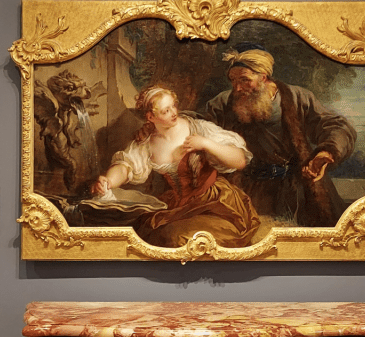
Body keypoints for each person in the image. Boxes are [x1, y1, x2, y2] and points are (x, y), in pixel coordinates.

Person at [202, 43, 356, 227]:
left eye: (244, 80)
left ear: (263, 77)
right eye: (233, 81)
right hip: (249, 190)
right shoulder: (223, 103)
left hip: (298, 188)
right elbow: (197, 123)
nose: (237, 88)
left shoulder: (298, 98)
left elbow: (338, 126)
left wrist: (326, 152)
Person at [92, 86, 260, 248]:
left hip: (214, 203)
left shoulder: (196, 128)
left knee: (177, 237)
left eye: (173, 106)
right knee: (152, 236)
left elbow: (240, 160)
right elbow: (125, 166)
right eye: (166, 111)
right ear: (150, 117)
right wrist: (108, 181)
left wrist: (206, 143)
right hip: (177, 207)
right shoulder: (147, 142)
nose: (174, 112)